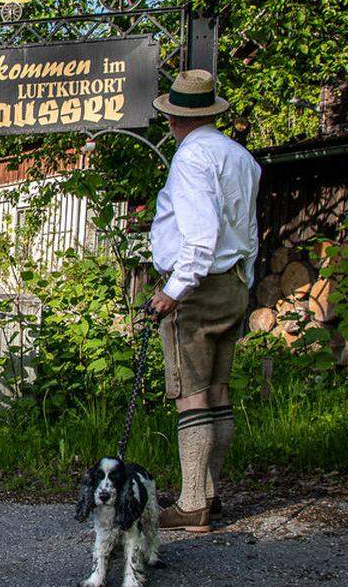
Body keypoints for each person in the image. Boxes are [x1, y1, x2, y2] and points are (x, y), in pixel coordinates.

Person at [147, 69, 261, 533]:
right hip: (232, 283)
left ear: (176, 119)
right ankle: (210, 493)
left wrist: (174, 291)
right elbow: (248, 232)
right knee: (218, 392)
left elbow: (200, 237)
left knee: (190, 395)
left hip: (196, 288)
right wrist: (245, 281)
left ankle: (193, 502)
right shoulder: (240, 157)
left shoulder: (191, 158)